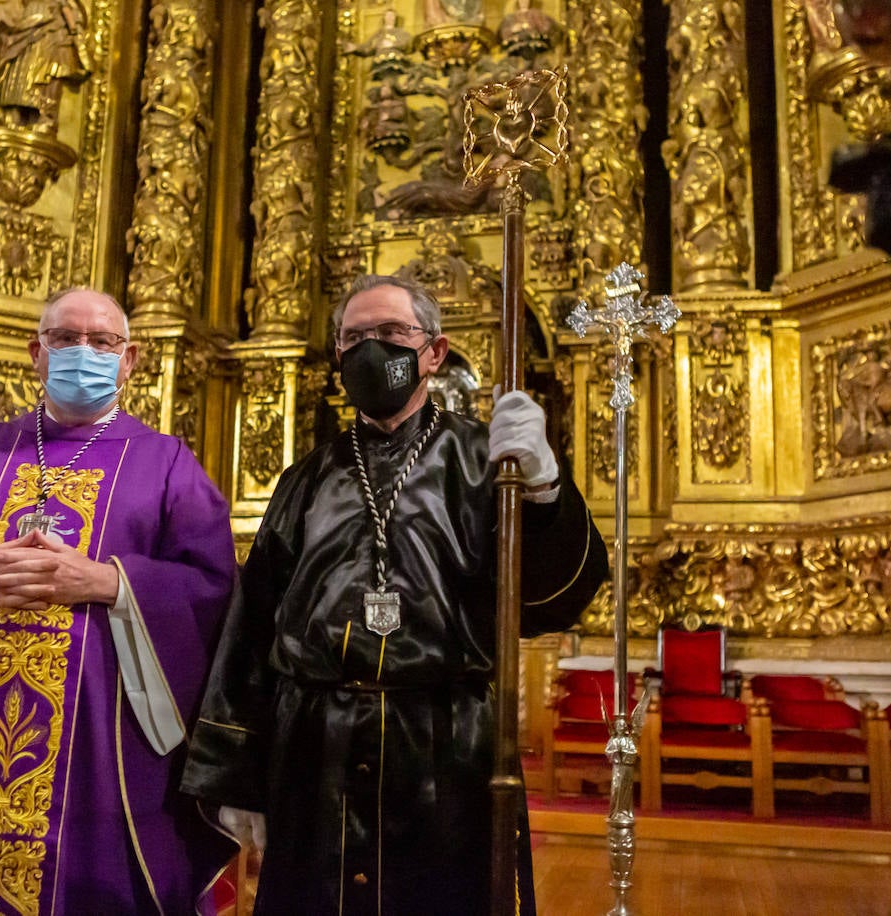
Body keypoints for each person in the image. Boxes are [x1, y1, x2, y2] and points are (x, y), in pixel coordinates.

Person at [181, 274, 608, 915]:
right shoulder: (306, 479)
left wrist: (544, 492)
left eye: (390, 334)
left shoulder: (487, 463)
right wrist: (235, 774)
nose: (370, 350)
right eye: (354, 338)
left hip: (444, 752)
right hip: (312, 756)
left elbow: (552, 601)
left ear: (433, 353)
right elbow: (252, 626)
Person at [0, 287, 237, 915]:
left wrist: (112, 584)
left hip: (98, 758)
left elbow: (214, 584)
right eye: (67, 339)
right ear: (36, 352)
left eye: (104, 342)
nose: (86, 353)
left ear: (130, 359)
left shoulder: (166, 463)